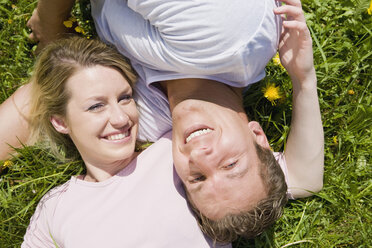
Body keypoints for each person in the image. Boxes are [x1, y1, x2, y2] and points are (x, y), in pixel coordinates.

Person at [2, 0, 324, 243]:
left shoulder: (152, 122)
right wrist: (50, 23)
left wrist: (305, 81)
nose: (199, 157)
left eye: (196, 179)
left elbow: (305, 177)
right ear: (257, 135)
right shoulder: (223, 34)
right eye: (229, 165)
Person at [21, 36, 229, 247]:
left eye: (125, 98)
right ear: (60, 121)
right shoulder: (55, 208)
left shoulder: (176, 151)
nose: (121, 118)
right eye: (96, 106)